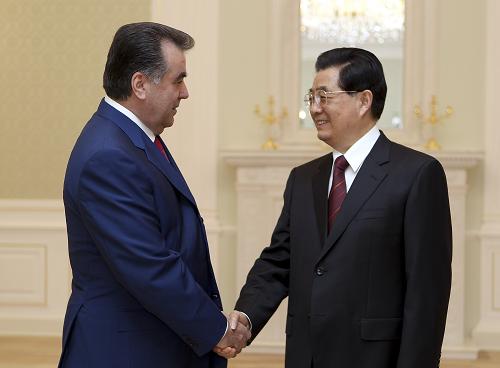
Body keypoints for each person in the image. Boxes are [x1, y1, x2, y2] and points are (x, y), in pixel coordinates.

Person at [230, 47, 452, 368]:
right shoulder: (303, 179)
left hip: (375, 358)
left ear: (364, 101)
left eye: (324, 96)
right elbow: (279, 260)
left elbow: (427, 292)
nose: (314, 108)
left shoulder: (417, 174)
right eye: (311, 96)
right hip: (307, 355)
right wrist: (246, 317)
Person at [58, 22, 250, 368]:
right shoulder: (108, 155)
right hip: (123, 350)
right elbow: (149, 266)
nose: (185, 92)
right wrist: (217, 329)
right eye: (178, 79)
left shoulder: (132, 138)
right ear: (140, 84)